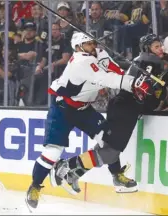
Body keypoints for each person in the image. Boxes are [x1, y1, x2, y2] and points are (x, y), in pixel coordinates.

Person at [26, 31, 150, 209]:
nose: (94, 46)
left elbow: (115, 70)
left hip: (83, 109)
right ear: (78, 47)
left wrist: (134, 79)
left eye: (93, 42)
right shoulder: (80, 61)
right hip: (62, 109)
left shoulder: (98, 53)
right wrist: (133, 84)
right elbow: (106, 78)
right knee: (53, 152)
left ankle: (117, 176)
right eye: (89, 44)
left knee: (108, 140)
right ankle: (35, 187)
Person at [51, 34, 168, 195]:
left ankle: (79, 173)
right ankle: (68, 165)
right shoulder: (149, 62)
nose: (161, 49)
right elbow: (143, 95)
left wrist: (162, 80)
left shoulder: (145, 61)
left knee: (107, 146)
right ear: (147, 48)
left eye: (161, 45)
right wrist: (163, 80)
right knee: (110, 152)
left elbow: (148, 92)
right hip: (125, 109)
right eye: (156, 46)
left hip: (122, 107)